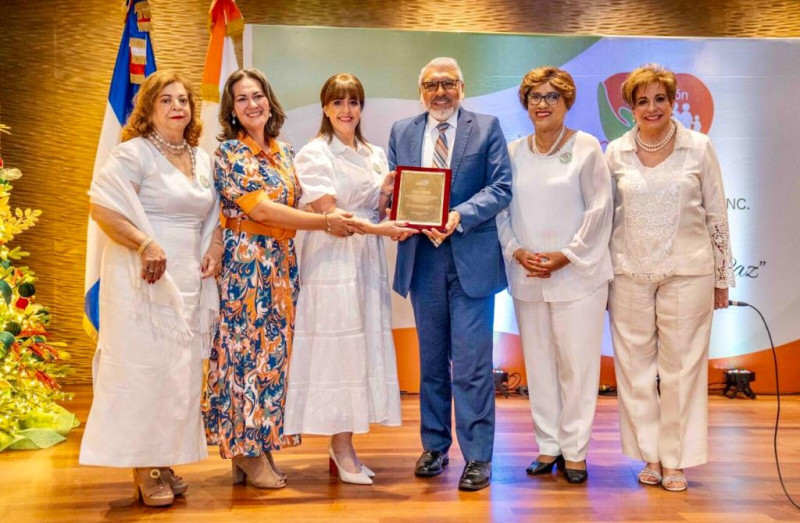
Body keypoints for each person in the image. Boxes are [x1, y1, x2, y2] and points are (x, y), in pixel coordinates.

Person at [202, 68, 359, 489]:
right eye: (241, 99)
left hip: (282, 265)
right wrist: (324, 222)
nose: (252, 104)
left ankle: (256, 447)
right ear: (230, 110)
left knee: (273, 359)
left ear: (269, 100)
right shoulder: (231, 154)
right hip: (246, 265)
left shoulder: (287, 152)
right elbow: (264, 211)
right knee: (243, 357)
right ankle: (246, 451)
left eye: (258, 95)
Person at [80, 70, 221, 507]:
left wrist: (214, 246)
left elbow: (213, 214)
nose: (178, 106)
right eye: (166, 100)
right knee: (144, 372)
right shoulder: (133, 154)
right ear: (148, 109)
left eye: (184, 99)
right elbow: (102, 206)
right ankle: (144, 468)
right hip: (144, 277)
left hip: (189, 279)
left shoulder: (203, 158)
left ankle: (165, 458)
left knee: (177, 375)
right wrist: (145, 243)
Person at [605, 63, 734, 492]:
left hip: (689, 272)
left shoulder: (699, 147)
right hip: (627, 272)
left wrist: (722, 278)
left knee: (681, 370)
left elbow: (717, 216)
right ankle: (651, 456)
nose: (652, 107)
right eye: (642, 101)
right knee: (635, 370)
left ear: (673, 100)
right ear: (631, 109)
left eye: (660, 98)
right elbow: (606, 219)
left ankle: (677, 460)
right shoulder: (615, 152)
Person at [388, 57, 512, 491]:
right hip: (422, 260)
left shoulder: (487, 126)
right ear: (420, 90)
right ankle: (435, 445)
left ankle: (477, 456)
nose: (440, 92)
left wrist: (458, 215)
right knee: (431, 362)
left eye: (448, 84)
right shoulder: (402, 131)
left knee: (473, 365)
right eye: (431, 85)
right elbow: (395, 188)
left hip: (471, 260)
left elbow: (501, 187)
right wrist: (395, 210)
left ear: (462, 86)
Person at [284, 73, 415, 485]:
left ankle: (346, 446)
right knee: (338, 352)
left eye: (353, 102)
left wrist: (392, 190)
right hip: (332, 262)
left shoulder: (374, 153)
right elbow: (333, 217)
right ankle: (340, 448)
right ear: (325, 107)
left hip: (366, 261)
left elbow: (375, 207)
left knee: (361, 350)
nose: (346, 111)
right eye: (338, 103)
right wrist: (381, 230)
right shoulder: (313, 154)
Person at [497, 67, 613, 484]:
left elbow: (600, 210)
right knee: (540, 365)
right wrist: (517, 251)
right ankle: (548, 447)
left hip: (578, 277)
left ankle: (576, 451)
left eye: (551, 97)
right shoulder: (512, 152)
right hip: (528, 275)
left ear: (567, 103)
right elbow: (501, 211)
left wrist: (566, 256)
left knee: (578, 367)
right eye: (534, 96)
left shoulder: (585, 148)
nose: (541, 104)